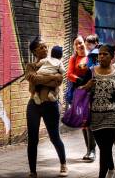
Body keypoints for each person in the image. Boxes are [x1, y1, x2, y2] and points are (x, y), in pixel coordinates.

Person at [80, 44, 115, 178]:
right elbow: (78, 91)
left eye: (105, 54)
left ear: (112, 57)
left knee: (105, 149)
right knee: (104, 148)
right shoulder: (91, 71)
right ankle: (111, 168)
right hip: (95, 117)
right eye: (100, 54)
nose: (102, 56)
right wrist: (86, 86)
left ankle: (102, 175)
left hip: (113, 116)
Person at [25, 37, 68, 177]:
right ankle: (32, 171)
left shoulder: (54, 62)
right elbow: (32, 79)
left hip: (50, 105)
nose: (45, 49)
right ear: (34, 51)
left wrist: (40, 79)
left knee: (54, 136)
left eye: (45, 46)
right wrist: (51, 78)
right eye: (41, 47)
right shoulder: (30, 66)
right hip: (34, 105)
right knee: (33, 139)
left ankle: (63, 165)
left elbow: (58, 81)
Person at [66, 35, 96, 162]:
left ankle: (92, 151)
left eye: (80, 42)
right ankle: (88, 150)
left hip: (91, 92)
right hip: (79, 93)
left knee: (89, 122)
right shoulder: (73, 58)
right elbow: (69, 74)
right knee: (83, 123)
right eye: (76, 44)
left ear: (84, 42)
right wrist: (79, 79)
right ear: (74, 47)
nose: (79, 45)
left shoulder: (92, 56)